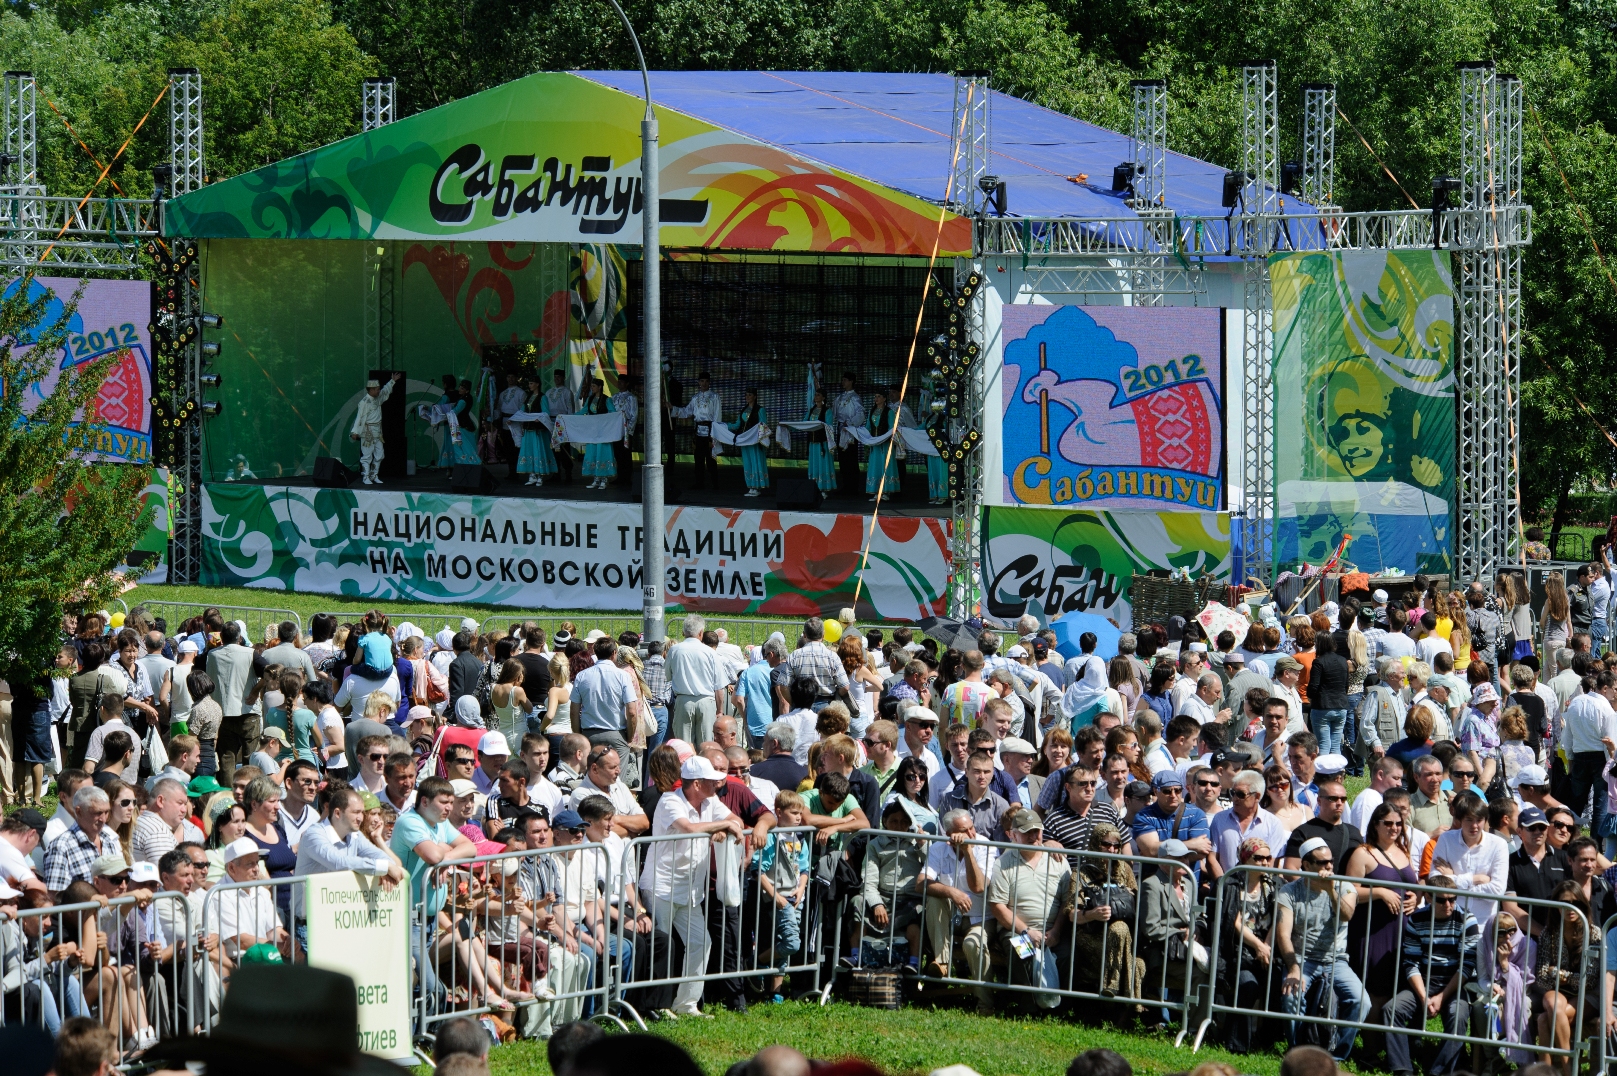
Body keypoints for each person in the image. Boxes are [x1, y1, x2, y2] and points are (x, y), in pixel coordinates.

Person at [640, 755, 744, 1017]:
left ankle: (686, 1004)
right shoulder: (669, 801)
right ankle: (657, 1005)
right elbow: (688, 827)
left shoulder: (710, 800)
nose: (717, 784)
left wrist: (727, 827)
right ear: (696, 784)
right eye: (711, 781)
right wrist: (722, 826)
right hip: (662, 885)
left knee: (701, 942)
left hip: (689, 890)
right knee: (662, 946)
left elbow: (736, 820)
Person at [1380, 869, 1481, 1076]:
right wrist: (1424, 997)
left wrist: (1441, 997)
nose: (1449, 905)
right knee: (1392, 1010)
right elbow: (1411, 962)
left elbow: (1466, 966)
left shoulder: (1467, 920)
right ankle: (1402, 1069)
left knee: (1458, 1014)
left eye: (1453, 899)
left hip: (1455, 982)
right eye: (1442, 901)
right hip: (1424, 980)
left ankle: (1439, 1072)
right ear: (1427, 898)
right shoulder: (1417, 919)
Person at [1277, 836, 1366, 1061]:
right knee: (1291, 997)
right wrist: (1293, 968)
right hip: (1301, 958)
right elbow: (1283, 935)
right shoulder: (1289, 891)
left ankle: (1337, 1057)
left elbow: (1346, 915)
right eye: (1322, 863)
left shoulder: (1343, 886)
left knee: (1361, 1001)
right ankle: (1298, 1052)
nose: (1328, 867)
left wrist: (1330, 891)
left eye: (1330, 862)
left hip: (1336, 959)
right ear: (1306, 865)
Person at [977, 808, 1068, 1014]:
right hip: (1017, 930)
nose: (1034, 836)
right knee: (1021, 953)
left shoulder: (1057, 859)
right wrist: (1026, 931)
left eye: (1037, 831)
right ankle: (1029, 1009)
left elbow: (1066, 900)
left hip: (1054, 930)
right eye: (1027, 832)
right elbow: (997, 905)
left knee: (1069, 954)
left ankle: (1061, 1010)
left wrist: (1057, 931)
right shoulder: (1003, 863)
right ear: (1013, 835)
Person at [1057, 820, 1142, 1000]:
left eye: (1116, 845)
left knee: (1120, 929)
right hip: (1091, 934)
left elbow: (1136, 902)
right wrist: (1092, 914)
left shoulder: (1125, 870)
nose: (1111, 850)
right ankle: (1121, 1003)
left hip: (1122, 935)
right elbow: (1072, 913)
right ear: (1096, 844)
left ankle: (1112, 990)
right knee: (1125, 945)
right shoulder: (1081, 873)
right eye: (1105, 844)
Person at [1534, 879, 1599, 1076]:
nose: (1571, 909)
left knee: (1544, 1020)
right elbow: (1542, 977)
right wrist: (1567, 977)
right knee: (1552, 1006)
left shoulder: (1594, 934)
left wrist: (1559, 974)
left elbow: (1589, 981)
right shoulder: (1549, 933)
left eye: (1576, 903)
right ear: (1557, 907)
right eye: (1565, 903)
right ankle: (1568, 1067)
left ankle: (1553, 1071)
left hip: (1588, 995)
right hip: (1559, 992)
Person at [1430, 790, 1509, 920]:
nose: (1474, 826)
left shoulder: (1499, 844)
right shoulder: (1446, 839)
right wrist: (1474, 879)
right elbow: (1435, 881)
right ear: (1460, 820)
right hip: (1452, 921)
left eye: (1479, 820)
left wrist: (1453, 879)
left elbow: (1497, 890)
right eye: (1469, 820)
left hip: (1484, 924)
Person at [1282, 777, 1363, 872]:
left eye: (1343, 799)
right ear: (1319, 801)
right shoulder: (1303, 832)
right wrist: (1313, 886)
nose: (1339, 803)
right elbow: (1290, 869)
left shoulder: (1354, 832)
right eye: (1333, 799)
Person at [348, 371, 402, 484]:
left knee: (380, 454)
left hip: (377, 431)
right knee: (367, 455)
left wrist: (392, 381)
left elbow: (385, 390)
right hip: (367, 432)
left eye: (378, 388)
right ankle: (365, 476)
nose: (379, 390)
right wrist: (354, 432)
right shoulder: (364, 402)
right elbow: (359, 417)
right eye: (377, 389)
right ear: (371, 390)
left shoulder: (378, 398)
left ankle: (374, 475)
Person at [576, 376, 617, 490]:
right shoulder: (590, 399)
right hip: (592, 432)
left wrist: (603, 420)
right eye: (591, 386)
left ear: (600, 387)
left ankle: (604, 479)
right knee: (592, 452)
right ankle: (596, 478)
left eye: (594, 386)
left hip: (603, 432)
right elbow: (583, 412)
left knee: (602, 452)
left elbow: (613, 413)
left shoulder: (607, 399)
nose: (592, 388)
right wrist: (569, 417)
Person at [729, 387, 771, 496]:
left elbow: (763, 424)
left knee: (756, 461)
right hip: (745, 440)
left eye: (750, 395)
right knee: (747, 462)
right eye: (746, 395)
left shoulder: (760, 409)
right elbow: (737, 425)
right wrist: (724, 425)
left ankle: (757, 487)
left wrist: (758, 437)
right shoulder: (744, 410)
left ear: (755, 397)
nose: (747, 397)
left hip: (755, 441)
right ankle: (751, 486)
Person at [803, 387, 837, 494]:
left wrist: (820, 425)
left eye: (818, 395)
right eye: (815, 395)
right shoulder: (811, 410)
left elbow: (829, 427)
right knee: (814, 465)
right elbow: (804, 423)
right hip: (813, 443)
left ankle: (824, 489)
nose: (816, 397)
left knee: (823, 465)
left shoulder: (827, 411)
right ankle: (814, 488)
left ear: (823, 397)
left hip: (823, 443)